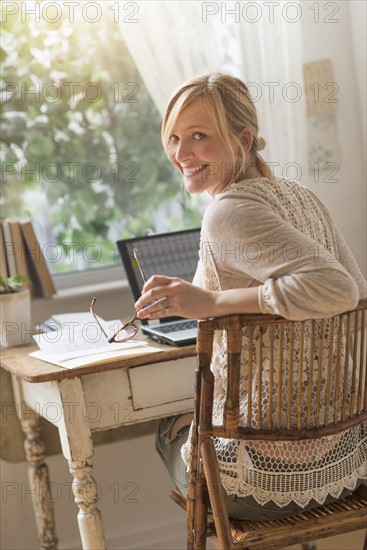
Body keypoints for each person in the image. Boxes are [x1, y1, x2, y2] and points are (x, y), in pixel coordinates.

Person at [134, 73, 367, 520]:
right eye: (175, 138)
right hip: (345, 461)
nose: (181, 154)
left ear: (243, 139)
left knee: (170, 429)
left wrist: (214, 305)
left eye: (200, 137)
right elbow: (358, 289)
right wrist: (200, 294)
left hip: (262, 484)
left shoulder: (228, 211)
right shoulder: (303, 198)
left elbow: (337, 290)